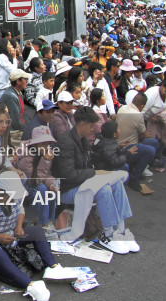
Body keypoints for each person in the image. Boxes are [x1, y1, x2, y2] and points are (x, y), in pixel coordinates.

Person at [52, 107, 138, 254]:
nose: (93, 130)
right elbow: (69, 175)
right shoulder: (66, 142)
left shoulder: (82, 139)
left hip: (83, 183)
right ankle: (108, 233)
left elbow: (90, 161)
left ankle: (121, 229)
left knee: (116, 182)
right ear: (83, 124)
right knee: (104, 188)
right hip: (67, 189)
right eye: (91, 126)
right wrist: (95, 172)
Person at [0, 172, 58, 301]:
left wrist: (18, 226)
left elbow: (20, 210)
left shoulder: (15, 197)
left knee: (36, 231)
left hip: (8, 235)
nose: (14, 199)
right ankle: (30, 285)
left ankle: (53, 267)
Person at [14, 126, 58, 229]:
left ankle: (50, 221)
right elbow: (34, 180)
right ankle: (41, 224)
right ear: (35, 144)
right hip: (25, 185)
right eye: (43, 144)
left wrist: (52, 183)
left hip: (37, 182)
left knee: (52, 192)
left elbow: (46, 175)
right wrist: (45, 161)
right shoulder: (26, 158)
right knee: (41, 190)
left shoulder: (43, 153)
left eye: (48, 144)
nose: (46, 147)